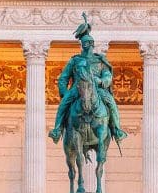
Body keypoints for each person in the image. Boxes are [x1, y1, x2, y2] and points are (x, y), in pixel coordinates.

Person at [49, 14, 126, 143]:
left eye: (90, 43)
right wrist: (65, 93)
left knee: (111, 103)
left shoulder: (100, 60)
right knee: (63, 105)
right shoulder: (75, 60)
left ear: (93, 44)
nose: (88, 46)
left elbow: (107, 75)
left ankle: (117, 130)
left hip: (97, 89)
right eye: (85, 44)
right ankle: (57, 130)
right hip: (77, 89)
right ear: (82, 45)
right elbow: (63, 78)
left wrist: (101, 81)